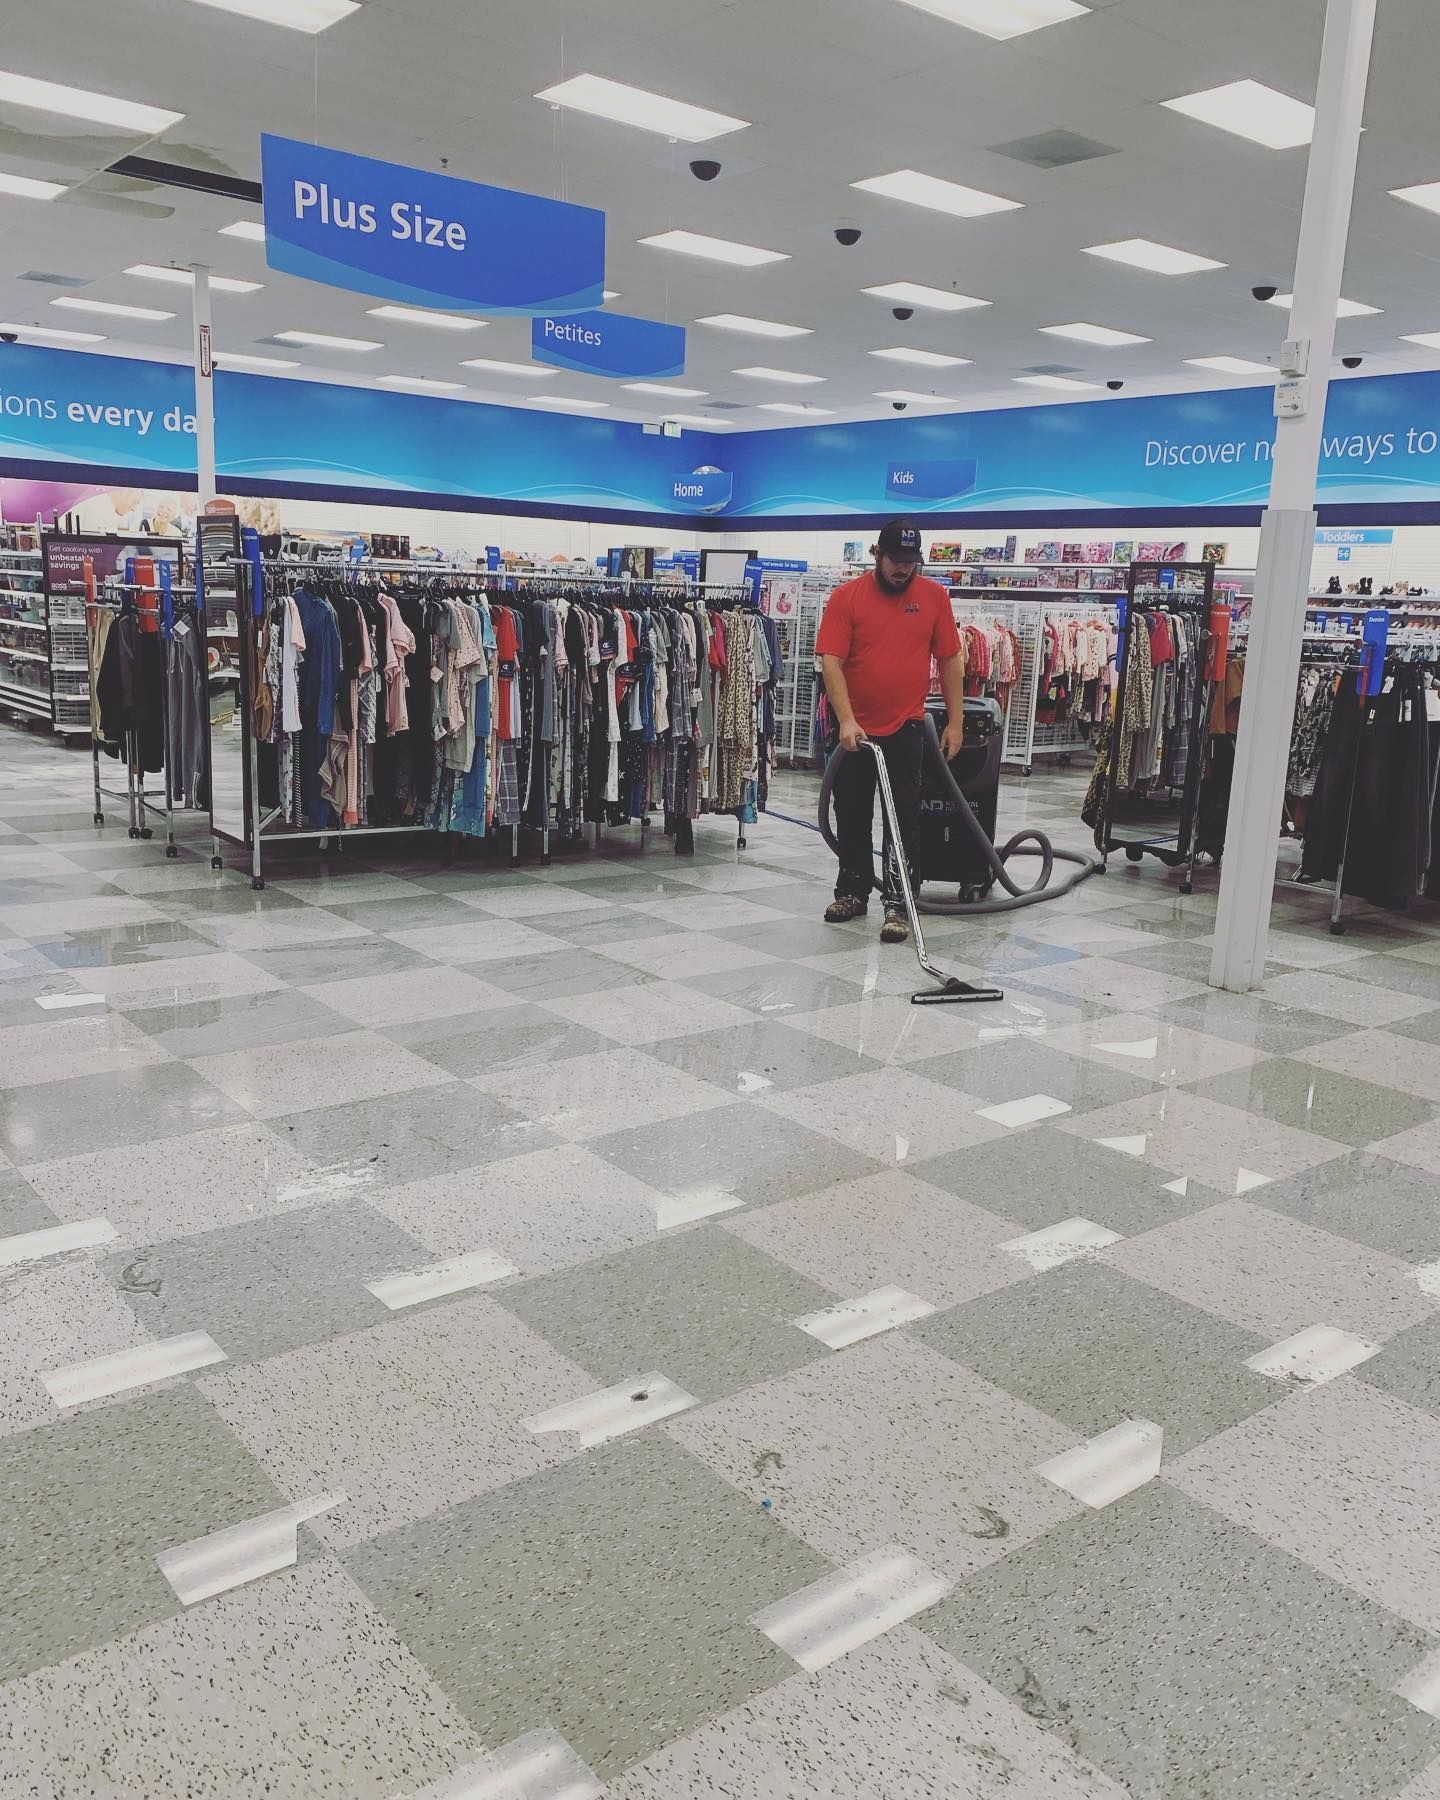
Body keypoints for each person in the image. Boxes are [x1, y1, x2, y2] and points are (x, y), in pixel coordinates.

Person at [817, 518, 965, 942]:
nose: (903, 569)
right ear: (876, 555)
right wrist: (846, 718)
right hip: (854, 729)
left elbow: (951, 659)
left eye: (910, 561)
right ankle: (852, 891)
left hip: (906, 726)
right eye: (896, 560)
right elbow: (832, 661)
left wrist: (955, 722)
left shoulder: (934, 597)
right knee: (852, 811)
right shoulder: (847, 598)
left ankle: (899, 902)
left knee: (902, 817)